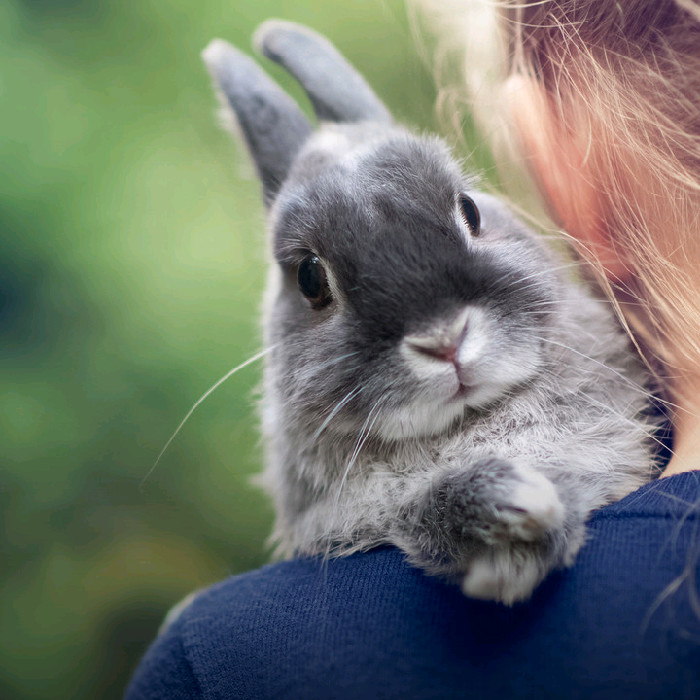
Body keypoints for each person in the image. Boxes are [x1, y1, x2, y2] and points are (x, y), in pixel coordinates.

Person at [124, 2, 700, 697]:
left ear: (566, 167)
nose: (442, 334)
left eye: (464, 215)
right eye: (314, 282)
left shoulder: (232, 664)